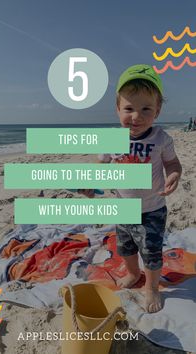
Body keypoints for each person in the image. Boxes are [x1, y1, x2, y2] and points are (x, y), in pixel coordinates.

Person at [79, 64, 182, 313]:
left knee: (152, 252)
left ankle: (152, 288)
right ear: (117, 110)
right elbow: (100, 167)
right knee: (125, 247)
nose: (136, 116)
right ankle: (134, 274)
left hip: (152, 209)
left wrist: (175, 174)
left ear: (157, 111)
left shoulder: (161, 138)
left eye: (145, 109)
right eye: (128, 109)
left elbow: (172, 162)